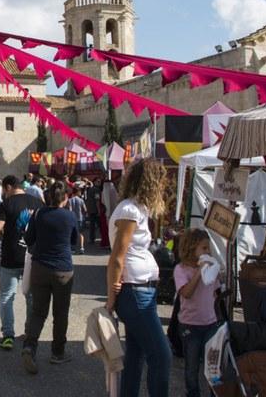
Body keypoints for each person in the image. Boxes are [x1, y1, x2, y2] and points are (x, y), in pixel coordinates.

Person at [106, 158, 171, 396]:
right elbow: (117, 258)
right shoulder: (130, 210)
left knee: (136, 355)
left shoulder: (135, 209)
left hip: (142, 291)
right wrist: (111, 299)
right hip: (135, 292)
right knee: (161, 356)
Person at [21, 181, 78, 374]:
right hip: (62, 268)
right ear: (65, 198)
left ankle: (30, 346)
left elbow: (29, 239)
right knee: (60, 313)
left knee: (38, 311)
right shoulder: (70, 216)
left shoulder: (38, 214)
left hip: (40, 267)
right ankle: (57, 352)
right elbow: (74, 241)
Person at [0, 174, 41, 350]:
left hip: (10, 256)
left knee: (6, 296)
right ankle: (30, 334)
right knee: (31, 297)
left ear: (7, 187)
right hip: (31, 256)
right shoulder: (37, 203)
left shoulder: (6, 204)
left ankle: (8, 335)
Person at [175, 229, 219, 397]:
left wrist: (215, 272)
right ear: (191, 248)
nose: (207, 252)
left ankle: (215, 392)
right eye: (204, 248)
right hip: (190, 326)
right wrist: (199, 273)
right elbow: (186, 293)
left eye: (208, 248)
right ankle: (193, 394)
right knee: (192, 366)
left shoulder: (210, 269)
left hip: (210, 324)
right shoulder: (181, 270)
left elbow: (215, 293)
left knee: (213, 365)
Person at [67, 184, 86, 254]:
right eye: (80, 192)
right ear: (78, 192)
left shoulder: (69, 200)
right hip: (80, 218)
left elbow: (69, 209)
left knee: (72, 233)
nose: (80, 193)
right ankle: (82, 248)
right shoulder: (81, 200)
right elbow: (85, 209)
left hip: (72, 218)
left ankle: (73, 248)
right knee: (81, 233)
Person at [84, 177, 102, 245]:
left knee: (92, 225)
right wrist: (99, 210)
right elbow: (97, 200)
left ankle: (92, 239)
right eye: (98, 181)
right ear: (94, 182)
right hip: (95, 210)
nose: (99, 183)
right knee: (99, 225)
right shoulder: (96, 190)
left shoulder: (90, 189)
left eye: (99, 181)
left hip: (91, 209)